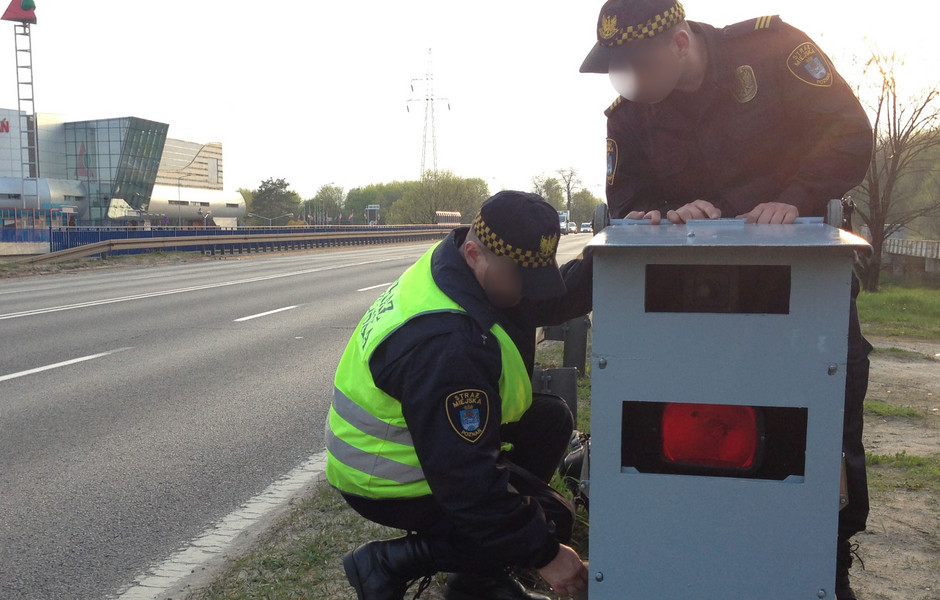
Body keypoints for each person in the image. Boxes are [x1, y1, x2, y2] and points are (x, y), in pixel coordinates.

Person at [579, 1, 873, 597]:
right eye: (618, 69)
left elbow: (848, 132)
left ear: (681, 42)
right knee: (682, 425)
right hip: (692, 300)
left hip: (796, 288)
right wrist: (662, 215)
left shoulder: (771, 52)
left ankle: (828, 558)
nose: (628, 81)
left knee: (823, 409)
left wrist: (796, 196)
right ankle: (674, 549)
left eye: (638, 64)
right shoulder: (630, 115)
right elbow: (628, 204)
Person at [326, 191, 592, 600]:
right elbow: (466, 481)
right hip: (384, 473)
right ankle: (386, 563)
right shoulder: (448, 344)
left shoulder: (463, 265)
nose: (528, 293)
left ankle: (478, 578)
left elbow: (549, 296)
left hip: (415, 439)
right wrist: (546, 553)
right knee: (549, 520)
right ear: (474, 253)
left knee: (549, 420)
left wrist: (625, 247)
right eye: (521, 278)